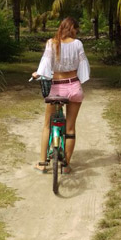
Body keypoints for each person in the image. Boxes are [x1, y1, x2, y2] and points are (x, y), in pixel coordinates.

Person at [32, 17, 90, 173]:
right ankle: (66, 166)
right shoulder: (78, 44)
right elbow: (83, 66)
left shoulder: (52, 43)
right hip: (74, 86)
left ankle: (42, 163)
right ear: (74, 29)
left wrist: (38, 73)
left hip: (57, 88)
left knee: (47, 126)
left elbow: (44, 64)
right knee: (70, 128)